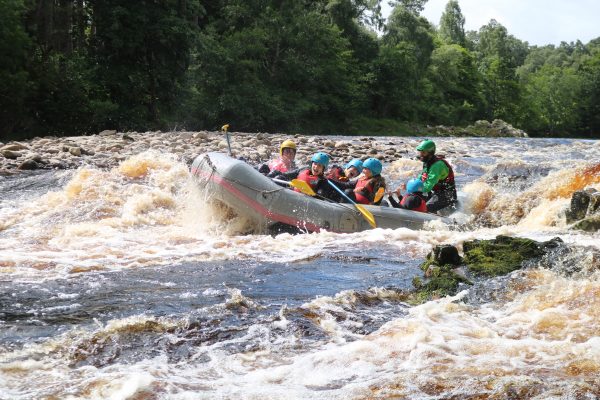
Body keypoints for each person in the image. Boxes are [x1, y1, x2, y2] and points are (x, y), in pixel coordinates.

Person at [415, 139, 457, 213]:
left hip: (447, 195)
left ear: (430, 153)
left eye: (423, 153)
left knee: (424, 208)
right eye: (420, 152)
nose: (420, 155)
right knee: (415, 198)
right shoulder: (427, 162)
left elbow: (427, 187)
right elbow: (420, 179)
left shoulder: (437, 166)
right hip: (435, 193)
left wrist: (415, 188)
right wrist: (410, 186)